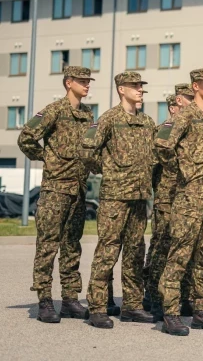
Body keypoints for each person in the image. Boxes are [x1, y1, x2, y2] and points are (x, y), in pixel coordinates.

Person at [18, 66, 95, 323]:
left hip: (78, 189)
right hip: (55, 190)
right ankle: (44, 301)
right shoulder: (53, 110)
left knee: (72, 246)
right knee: (48, 246)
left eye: (88, 81)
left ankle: (71, 299)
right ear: (68, 82)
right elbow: (26, 138)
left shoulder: (87, 113)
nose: (87, 85)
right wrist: (46, 158)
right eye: (82, 81)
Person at [81, 71, 155, 329]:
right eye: (135, 86)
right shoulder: (109, 119)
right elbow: (87, 149)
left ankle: (133, 305)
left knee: (136, 251)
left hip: (139, 196)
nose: (140, 90)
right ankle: (98, 306)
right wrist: (107, 169)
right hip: (115, 196)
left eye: (141, 86)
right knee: (108, 249)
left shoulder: (147, 121)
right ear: (121, 89)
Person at [155, 69, 203, 336]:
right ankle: (171, 313)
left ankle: (201, 311)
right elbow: (162, 144)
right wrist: (180, 171)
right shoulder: (185, 115)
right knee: (180, 254)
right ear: (195, 86)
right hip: (190, 196)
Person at [143, 84, 192, 321]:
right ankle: (153, 295)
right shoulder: (163, 129)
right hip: (166, 197)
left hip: (186, 197)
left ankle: (177, 296)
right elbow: (153, 164)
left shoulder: (193, 129)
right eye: (187, 99)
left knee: (181, 248)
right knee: (162, 246)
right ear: (174, 106)